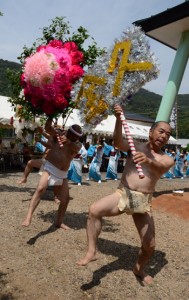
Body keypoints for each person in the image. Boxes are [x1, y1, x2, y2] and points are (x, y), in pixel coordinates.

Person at [77, 104, 174, 285]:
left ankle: (139, 268)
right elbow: (117, 142)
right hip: (124, 193)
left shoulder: (167, 158)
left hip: (142, 201)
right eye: (161, 131)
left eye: (168, 135)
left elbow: (161, 167)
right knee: (94, 210)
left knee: (149, 246)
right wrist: (118, 120)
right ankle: (92, 251)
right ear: (151, 132)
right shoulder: (134, 146)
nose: (164, 136)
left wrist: (148, 160)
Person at [21, 121, 82, 229]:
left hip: (63, 173)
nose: (74, 138)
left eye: (76, 137)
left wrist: (68, 142)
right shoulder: (57, 135)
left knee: (65, 199)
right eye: (73, 135)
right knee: (40, 189)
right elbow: (49, 129)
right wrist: (50, 116)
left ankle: (59, 222)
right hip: (50, 167)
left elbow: (76, 147)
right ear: (68, 132)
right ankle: (28, 216)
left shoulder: (77, 144)